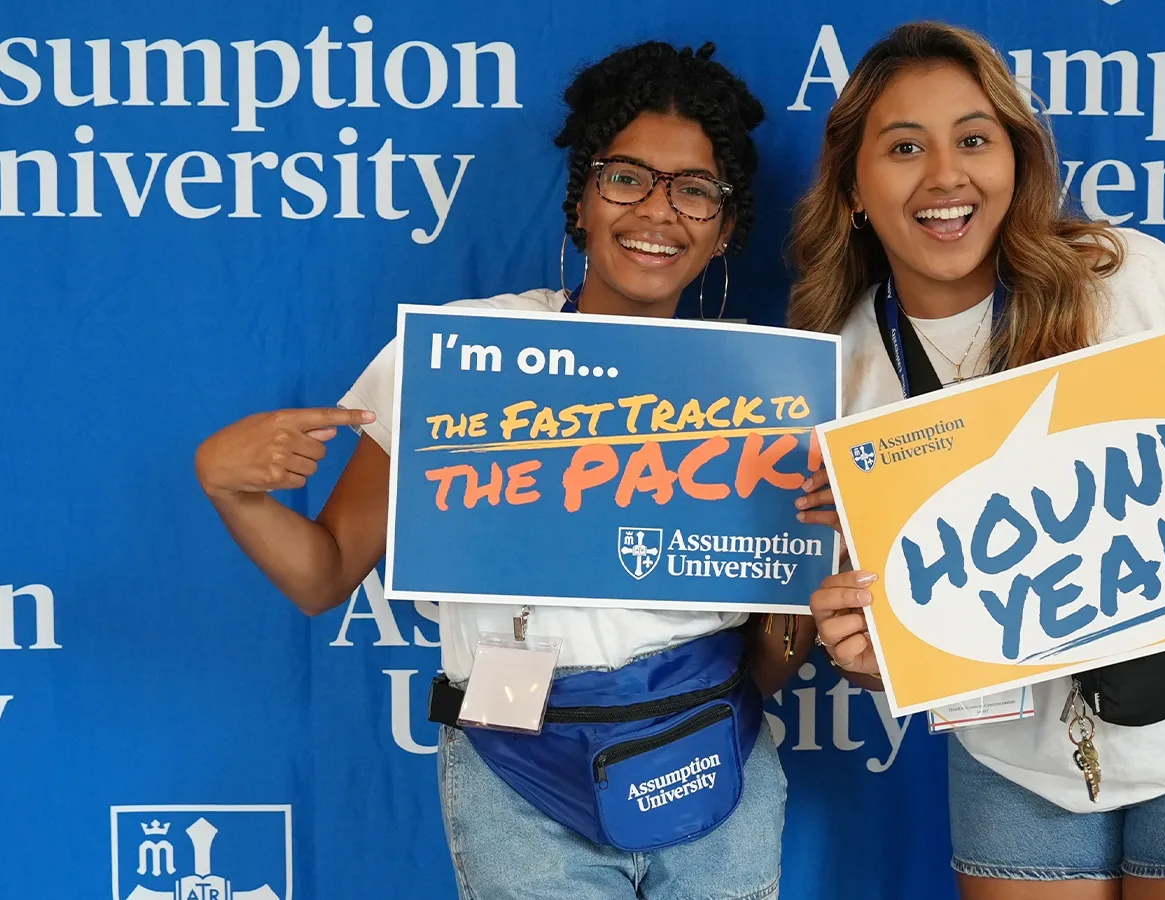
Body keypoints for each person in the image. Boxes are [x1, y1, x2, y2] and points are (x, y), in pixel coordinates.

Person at [788, 22, 1165, 900]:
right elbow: (878, 595)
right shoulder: (835, 363)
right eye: (903, 147)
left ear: (1016, 160)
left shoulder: (1128, 279)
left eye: (973, 138)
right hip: (1017, 753)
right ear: (852, 185)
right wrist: (869, 648)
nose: (945, 176)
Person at [194, 41, 805, 900]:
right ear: (582, 201)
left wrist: (805, 584)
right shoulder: (458, 358)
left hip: (717, 755)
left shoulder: (768, 392)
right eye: (627, 177)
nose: (658, 211)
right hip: (515, 770)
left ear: (727, 224)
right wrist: (228, 485)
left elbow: (774, 656)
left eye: (695, 189)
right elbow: (323, 573)